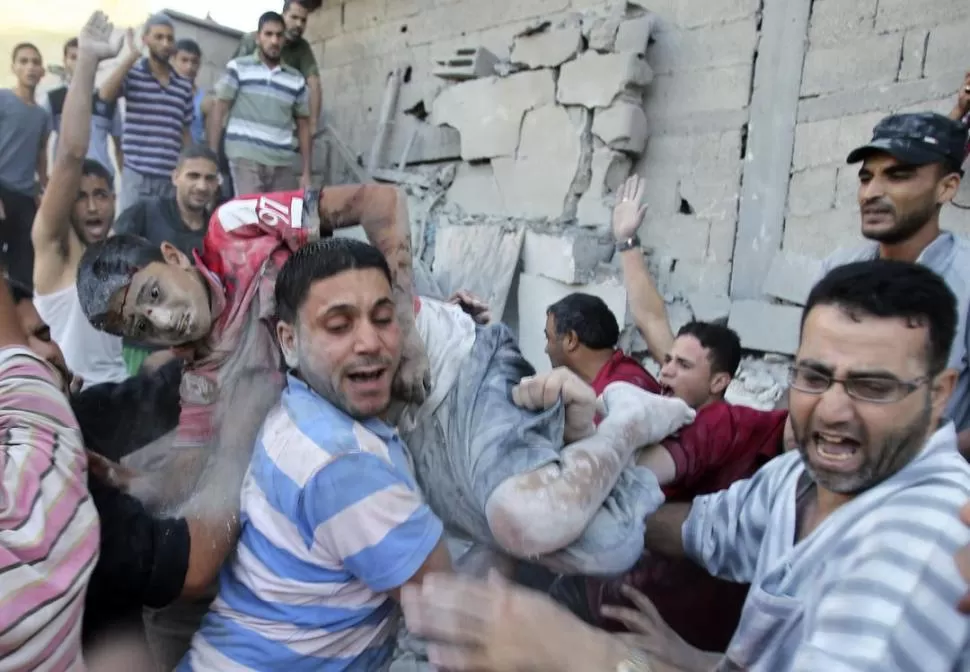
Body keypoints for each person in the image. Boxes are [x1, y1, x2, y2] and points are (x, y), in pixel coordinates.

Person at [79, 184, 430, 667]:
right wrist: (129, 481)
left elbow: (381, 201)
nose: (165, 320)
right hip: (364, 450)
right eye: (142, 326)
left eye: (154, 293)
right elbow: (193, 465)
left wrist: (406, 330)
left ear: (172, 255)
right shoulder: (201, 375)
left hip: (415, 371)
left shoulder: (235, 229)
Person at [180, 238, 452, 670]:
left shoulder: (294, 407)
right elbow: (454, 613)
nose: (370, 342)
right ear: (288, 340)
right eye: (339, 326)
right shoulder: (346, 465)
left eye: (383, 318)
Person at [819, 112, 970, 456]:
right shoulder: (839, 269)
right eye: (866, 178)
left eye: (897, 176)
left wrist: (915, 461)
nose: (871, 193)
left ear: (946, 188)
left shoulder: (965, 277)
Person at [0, 267, 98, 670]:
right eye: (20, 348)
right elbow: (191, 567)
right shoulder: (32, 490)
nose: (39, 356)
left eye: (42, 335)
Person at [31, 15, 128, 388]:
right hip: (69, 399)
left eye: (101, 195)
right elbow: (71, 153)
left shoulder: (117, 254)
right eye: (81, 197)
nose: (91, 206)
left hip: (119, 394)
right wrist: (88, 60)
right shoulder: (55, 250)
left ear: (114, 200)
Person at [113, 144, 220, 374]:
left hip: (194, 355)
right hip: (141, 348)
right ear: (175, 177)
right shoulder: (143, 213)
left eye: (209, 178)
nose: (202, 186)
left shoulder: (219, 230)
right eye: (193, 176)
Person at [98, 14, 194, 212]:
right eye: (158, 37)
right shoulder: (133, 76)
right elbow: (105, 94)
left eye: (169, 38)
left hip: (169, 178)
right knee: (129, 236)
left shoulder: (183, 86)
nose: (165, 43)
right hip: (136, 175)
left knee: (161, 237)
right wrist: (131, 57)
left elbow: (184, 133)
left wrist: (191, 168)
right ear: (146, 40)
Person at [209, 11, 312, 195]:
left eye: (279, 35)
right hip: (245, 158)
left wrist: (306, 173)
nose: (274, 41)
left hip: (282, 162)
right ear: (258, 38)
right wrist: (211, 158)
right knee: (252, 216)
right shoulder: (238, 68)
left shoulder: (296, 79)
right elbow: (218, 110)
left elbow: (304, 126)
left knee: (290, 217)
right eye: (268, 34)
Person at [0, 42, 50, 290]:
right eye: (24, 61)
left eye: (36, 62)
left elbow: (41, 152)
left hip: (25, 194)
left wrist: (43, 188)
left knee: (25, 259)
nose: (30, 67)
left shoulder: (42, 114)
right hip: (1, 187)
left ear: (43, 71)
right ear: (14, 68)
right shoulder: (3, 99)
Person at [544, 291, 660, 399]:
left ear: (570, 340)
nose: (546, 349)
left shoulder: (625, 391)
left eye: (548, 338)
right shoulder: (602, 384)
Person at [233, 0, 321, 136]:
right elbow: (233, 78)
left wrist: (313, 124)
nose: (299, 24)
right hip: (248, 114)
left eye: (304, 20)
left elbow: (314, 83)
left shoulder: (301, 47)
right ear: (283, 15)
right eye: (294, 17)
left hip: (279, 118)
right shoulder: (251, 40)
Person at [43, 37, 124, 183]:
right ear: (65, 61)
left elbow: (119, 146)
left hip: (101, 175)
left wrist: (124, 180)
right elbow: (42, 144)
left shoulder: (107, 98)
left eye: (82, 58)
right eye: (73, 57)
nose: (79, 63)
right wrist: (45, 180)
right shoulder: (54, 98)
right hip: (66, 178)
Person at [171, 39, 205, 145]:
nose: (189, 67)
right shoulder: (163, 92)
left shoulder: (205, 101)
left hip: (189, 158)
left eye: (194, 62)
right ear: (173, 60)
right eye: (184, 60)